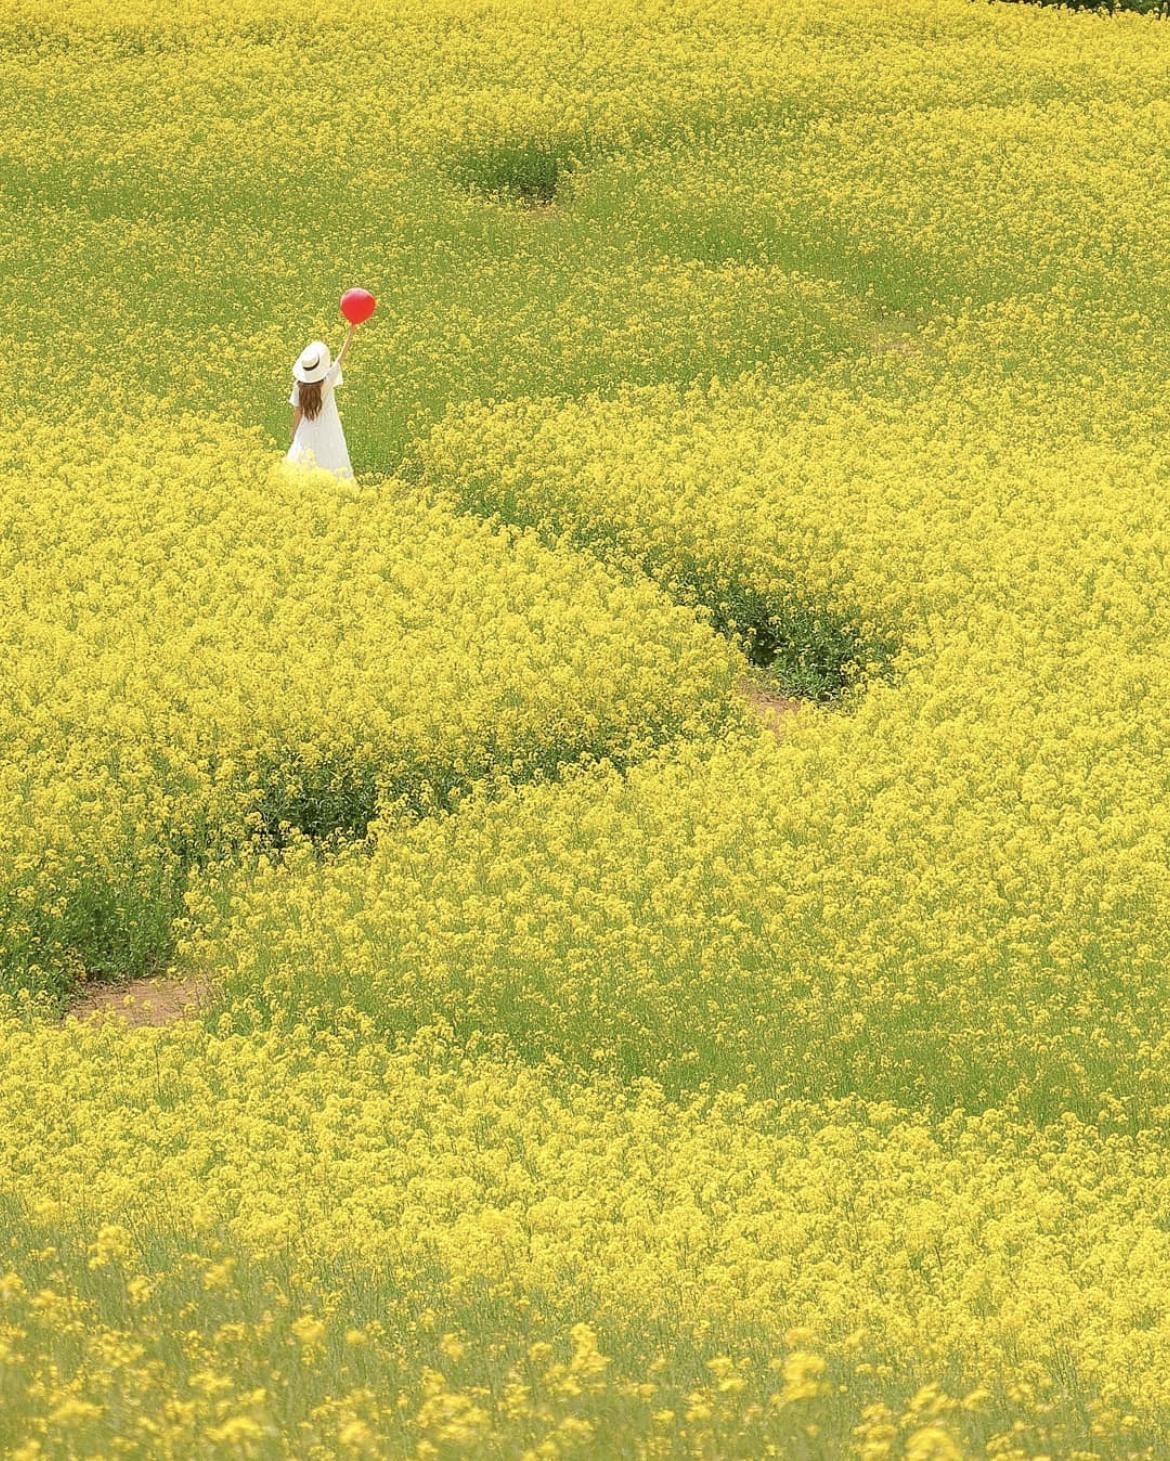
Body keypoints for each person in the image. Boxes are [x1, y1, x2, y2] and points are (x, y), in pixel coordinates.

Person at [286, 323, 356, 479]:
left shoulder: (298, 386)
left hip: (306, 429)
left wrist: (294, 433)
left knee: (302, 464)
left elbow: (298, 412)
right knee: (331, 459)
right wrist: (351, 331)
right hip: (329, 427)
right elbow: (340, 358)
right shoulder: (327, 381)